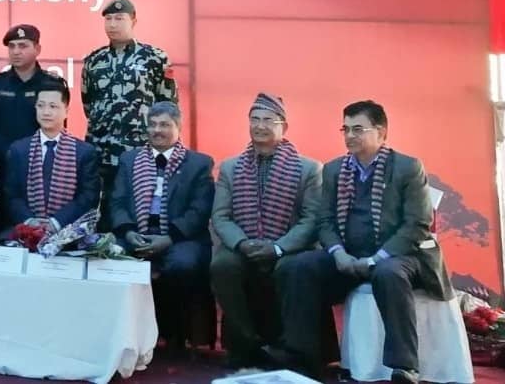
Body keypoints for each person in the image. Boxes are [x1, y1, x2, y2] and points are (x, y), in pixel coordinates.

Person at [263, 101, 452, 384]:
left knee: (389, 274)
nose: (350, 136)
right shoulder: (334, 169)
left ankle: (404, 366)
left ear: (381, 132)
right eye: (346, 129)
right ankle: (305, 357)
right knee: (296, 266)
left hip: (399, 255)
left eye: (358, 129)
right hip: (349, 255)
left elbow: (417, 224)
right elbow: (325, 221)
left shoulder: (407, 167)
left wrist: (376, 259)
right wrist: (338, 253)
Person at [209, 93, 323, 368]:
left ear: (284, 127)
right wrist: (242, 243)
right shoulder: (230, 167)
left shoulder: (308, 169)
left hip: (288, 246)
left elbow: (311, 220)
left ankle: (289, 347)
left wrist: (278, 247)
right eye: (254, 119)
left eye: (268, 120)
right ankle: (248, 343)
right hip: (244, 243)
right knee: (222, 265)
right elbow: (221, 216)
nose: (260, 126)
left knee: (291, 268)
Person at [108, 101, 215, 349]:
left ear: (178, 128)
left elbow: (199, 210)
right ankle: (124, 336)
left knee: (182, 264)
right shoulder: (129, 160)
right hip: (136, 234)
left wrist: (169, 238)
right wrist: (129, 232)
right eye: (153, 124)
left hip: (180, 237)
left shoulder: (198, 163)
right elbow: (117, 202)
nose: (157, 130)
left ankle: (175, 333)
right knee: (111, 259)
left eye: (165, 125)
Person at [81, 0, 177, 228]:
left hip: (139, 151)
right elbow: (88, 104)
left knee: (136, 210)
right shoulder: (94, 60)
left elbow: (167, 104)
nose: (113, 24)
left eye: (119, 18)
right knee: (100, 213)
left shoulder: (155, 58)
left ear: (133, 20)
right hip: (101, 151)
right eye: (108, 19)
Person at [0, 24, 67, 232]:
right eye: (12, 46)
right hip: (2, 162)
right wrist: (6, 151)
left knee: (37, 222)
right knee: (2, 224)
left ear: (37, 49)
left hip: (39, 164)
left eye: (23, 46)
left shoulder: (52, 83)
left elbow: (57, 125)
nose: (16, 51)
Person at [2, 83, 100, 232]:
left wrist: (56, 222)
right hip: (26, 229)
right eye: (41, 106)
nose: (46, 112)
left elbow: (88, 196)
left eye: (53, 106)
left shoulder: (84, 152)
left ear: (66, 111)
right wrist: (29, 221)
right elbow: (11, 195)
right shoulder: (19, 150)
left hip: (69, 231)